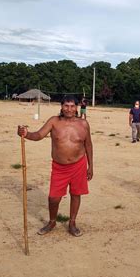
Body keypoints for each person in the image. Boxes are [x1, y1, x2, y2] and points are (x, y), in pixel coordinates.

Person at [17, 95, 93, 237]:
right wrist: (26, 134)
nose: (69, 109)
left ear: (76, 107)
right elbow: (39, 135)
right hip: (60, 167)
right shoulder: (54, 121)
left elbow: (88, 144)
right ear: (61, 107)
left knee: (76, 194)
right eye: (66, 106)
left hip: (79, 165)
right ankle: (52, 221)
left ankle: (72, 222)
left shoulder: (84, 124)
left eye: (72, 106)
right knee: (54, 198)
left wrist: (91, 166)